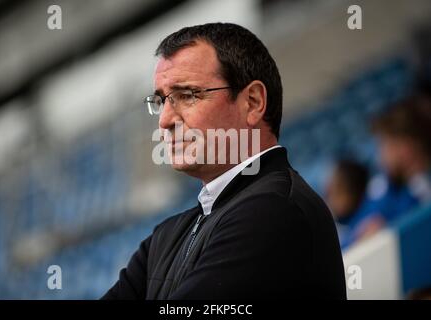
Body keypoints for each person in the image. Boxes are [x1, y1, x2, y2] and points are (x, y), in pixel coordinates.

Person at [102, 23, 346, 299]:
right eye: (161, 101)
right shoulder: (165, 237)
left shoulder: (274, 211)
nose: (165, 120)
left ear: (252, 103)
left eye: (187, 95)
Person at [341, 94, 431, 247]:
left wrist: (385, 229)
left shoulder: (421, 190)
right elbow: (356, 232)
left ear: (406, 148)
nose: (381, 154)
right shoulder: (391, 186)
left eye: (386, 145)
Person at [325, 159, 369, 249]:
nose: (329, 196)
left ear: (353, 194)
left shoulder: (373, 217)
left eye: (338, 190)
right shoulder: (332, 231)